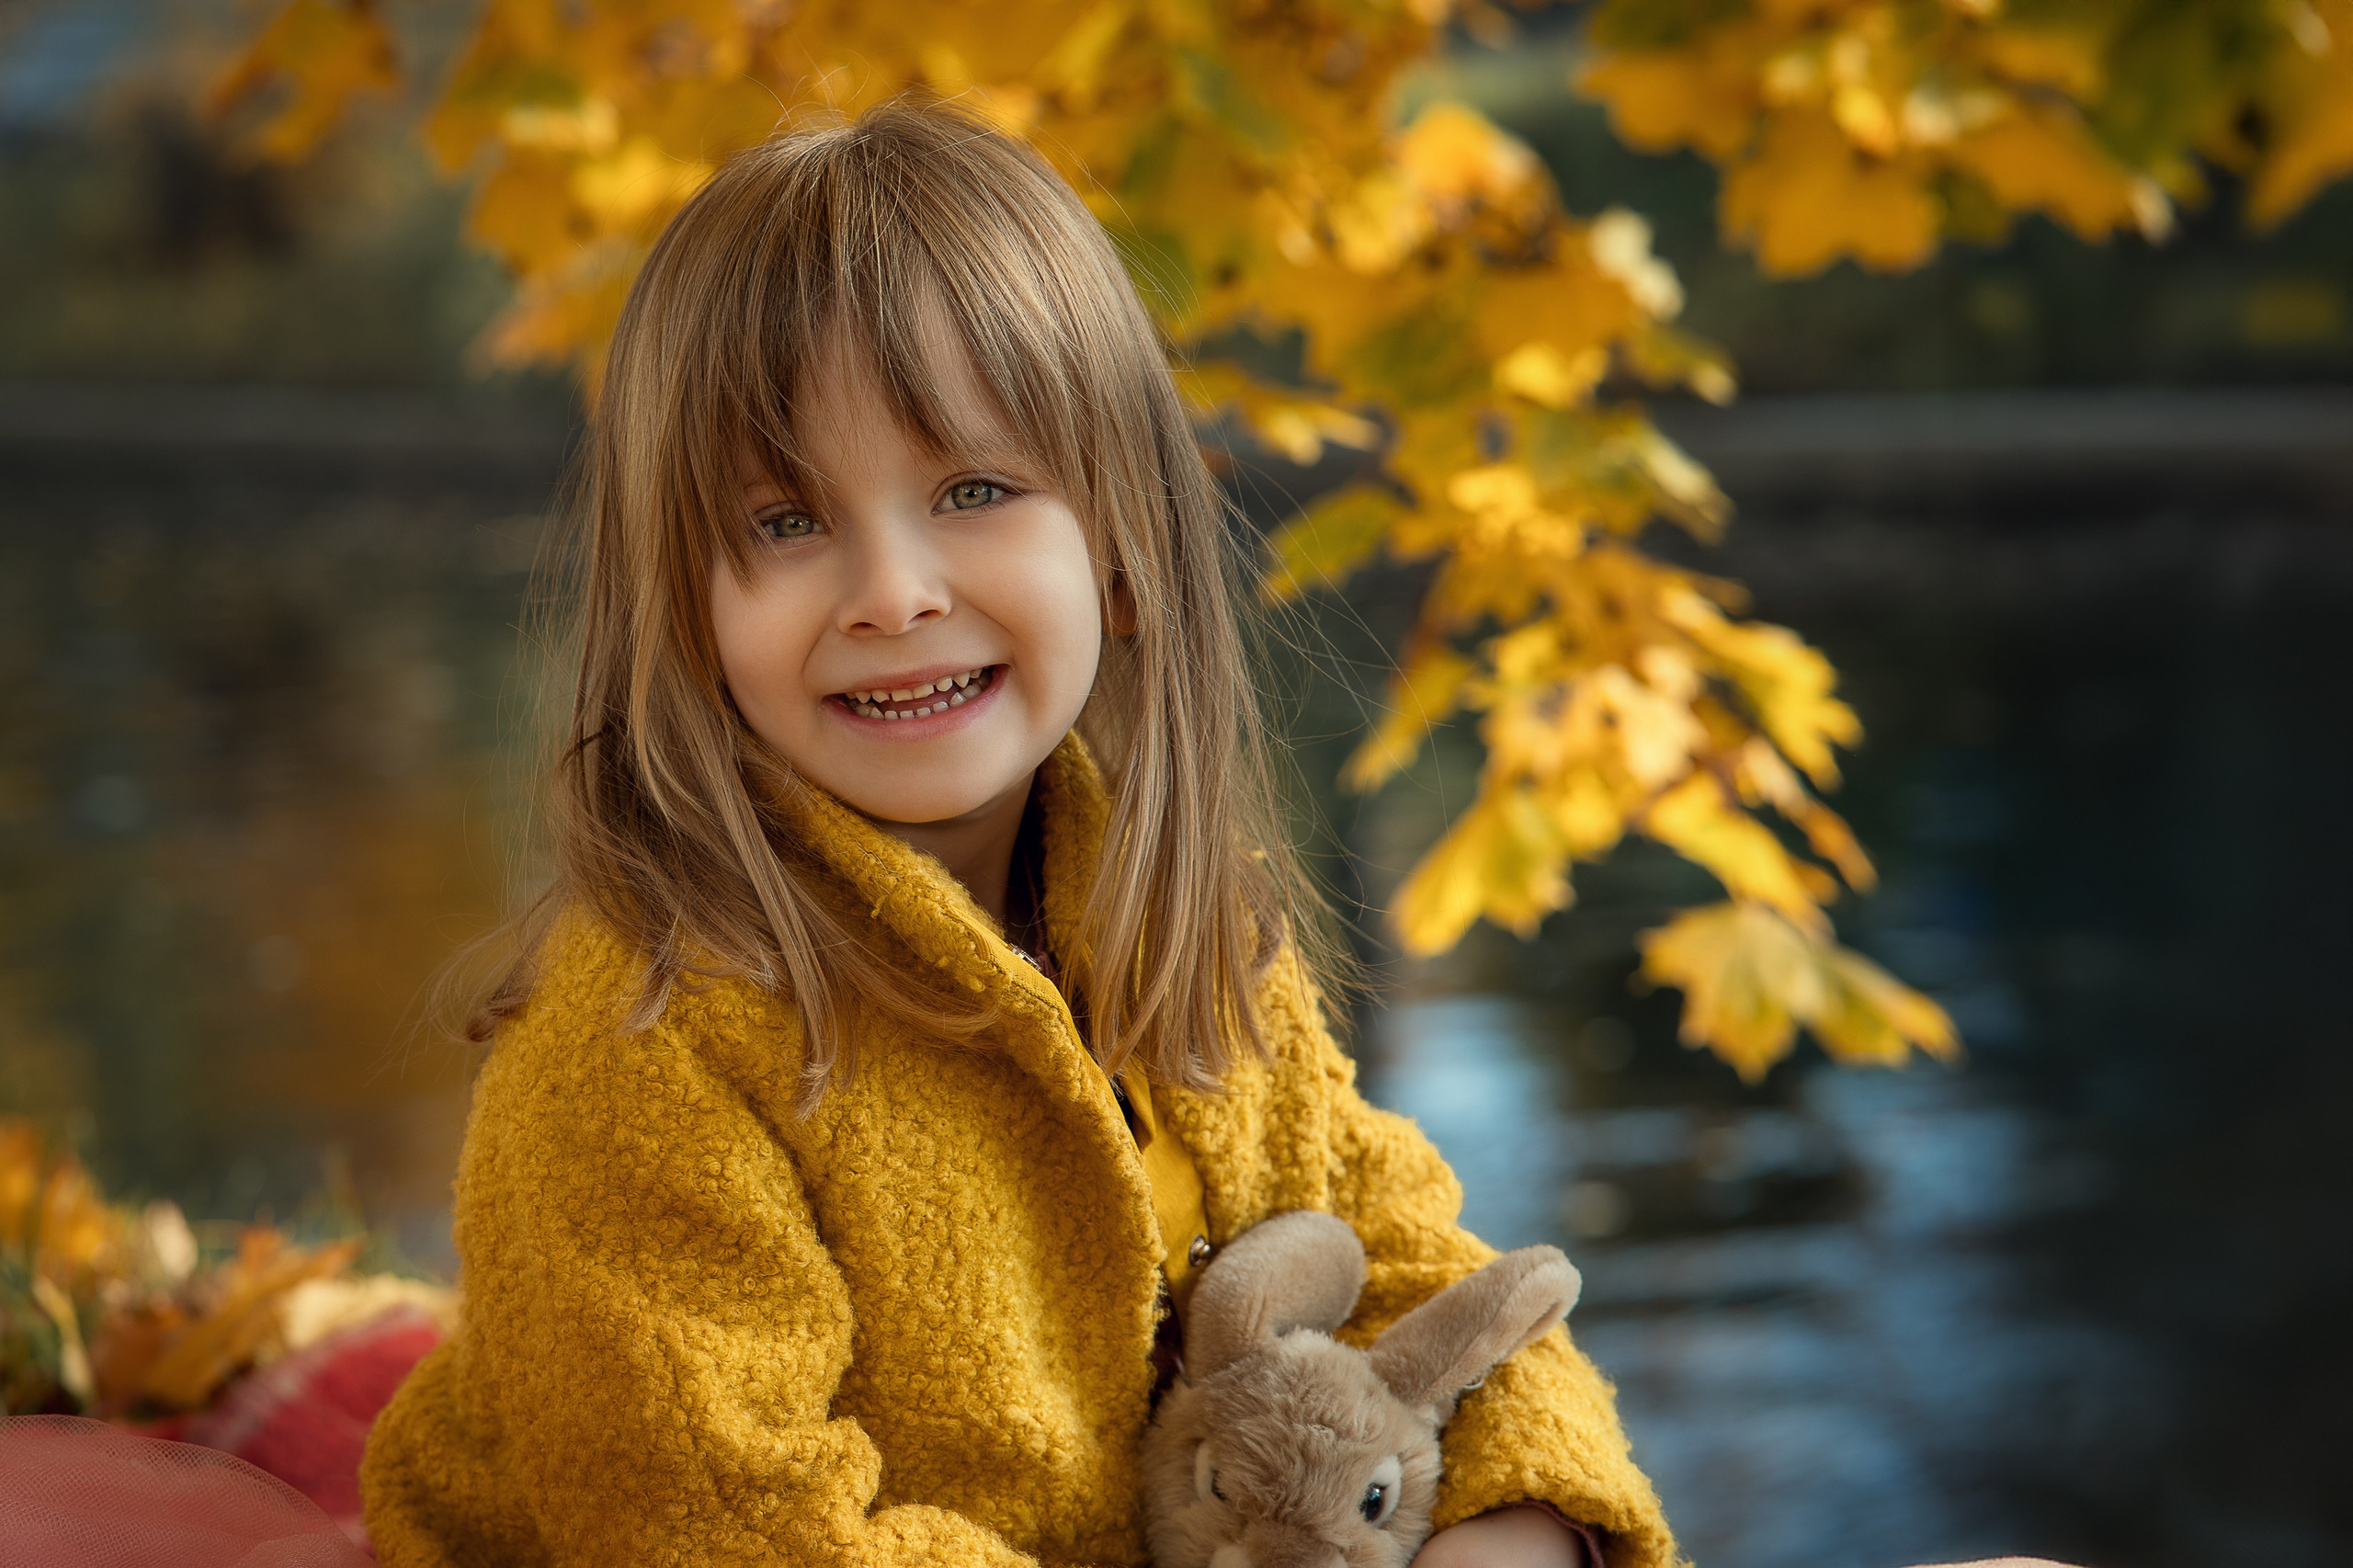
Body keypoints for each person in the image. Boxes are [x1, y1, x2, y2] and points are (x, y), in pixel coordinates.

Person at [347, 99, 2067, 1568]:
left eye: (972, 490)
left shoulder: (1176, 922)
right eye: (786, 521)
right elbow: (732, 1529)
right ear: (685, 604)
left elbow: (1406, 1251)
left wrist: (1518, 1519)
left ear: (1120, 544)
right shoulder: (648, 1044)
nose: (893, 591)